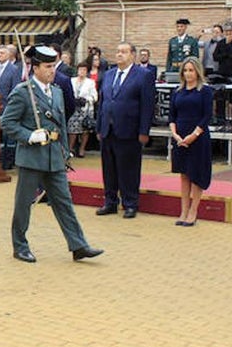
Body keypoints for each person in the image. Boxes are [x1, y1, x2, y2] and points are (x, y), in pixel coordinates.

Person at [2, 46, 103, 263]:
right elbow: (7, 123)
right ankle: (20, 246)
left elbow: (62, 125)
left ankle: (78, 245)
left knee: (64, 202)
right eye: (47, 67)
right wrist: (29, 135)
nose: (52, 71)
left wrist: (65, 151)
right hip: (31, 156)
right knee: (24, 203)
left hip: (54, 156)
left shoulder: (56, 91)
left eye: (53, 66)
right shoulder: (23, 91)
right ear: (35, 68)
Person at [96, 42, 156, 218]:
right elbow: (103, 102)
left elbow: (147, 105)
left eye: (123, 52)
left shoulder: (144, 75)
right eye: (117, 51)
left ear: (133, 55)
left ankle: (130, 203)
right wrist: (99, 126)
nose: (119, 54)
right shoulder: (108, 74)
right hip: (108, 128)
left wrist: (144, 131)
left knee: (128, 168)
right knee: (108, 168)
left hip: (130, 129)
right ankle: (110, 201)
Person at [168, 57, 214, 226]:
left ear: (197, 72)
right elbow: (172, 116)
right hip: (180, 138)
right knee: (184, 175)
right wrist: (175, 135)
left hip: (198, 138)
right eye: (185, 70)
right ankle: (183, 211)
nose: (188, 73)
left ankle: (193, 211)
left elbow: (207, 116)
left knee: (196, 175)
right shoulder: (177, 91)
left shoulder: (205, 91)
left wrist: (194, 135)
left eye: (191, 70)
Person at [68, 63, 98, 158]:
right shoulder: (71, 81)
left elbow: (95, 96)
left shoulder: (90, 82)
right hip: (74, 108)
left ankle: (82, 149)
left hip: (86, 109)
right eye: (80, 69)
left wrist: (86, 99)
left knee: (85, 130)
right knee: (72, 129)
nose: (82, 72)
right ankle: (70, 149)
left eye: (84, 70)